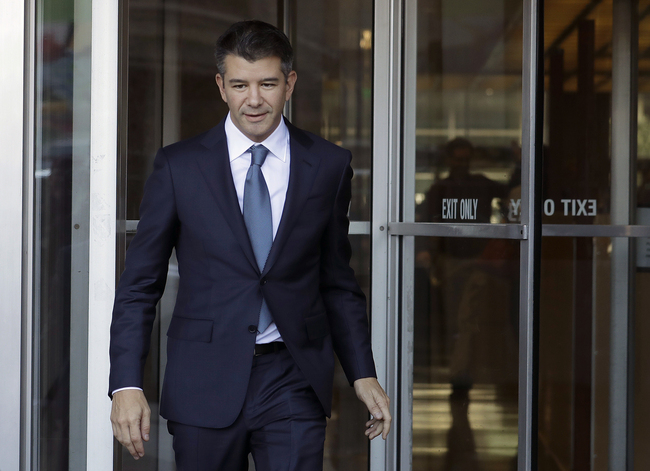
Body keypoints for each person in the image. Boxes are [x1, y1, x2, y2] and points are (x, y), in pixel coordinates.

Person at [108, 20, 390, 470]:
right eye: (240, 84)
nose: (254, 99)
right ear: (221, 86)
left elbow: (337, 282)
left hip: (293, 377)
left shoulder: (329, 166)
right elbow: (140, 284)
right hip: (203, 380)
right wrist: (126, 384)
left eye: (268, 84)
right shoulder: (179, 167)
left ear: (290, 84)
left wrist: (363, 371)